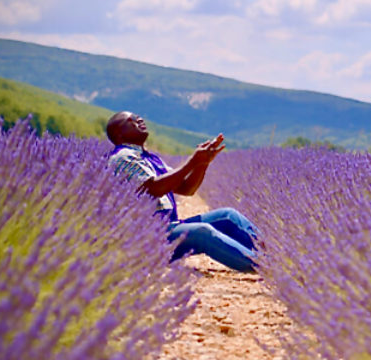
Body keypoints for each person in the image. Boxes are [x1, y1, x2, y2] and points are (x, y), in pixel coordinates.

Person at [105, 111, 259, 273]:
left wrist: (202, 163)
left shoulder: (149, 158)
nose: (140, 119)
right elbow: (154, 188)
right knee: (202, 232)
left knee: (228, 216)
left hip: (168, 227)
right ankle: (265, 266)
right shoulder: (122, 157)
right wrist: (193, 161)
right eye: (132, 120)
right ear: (119, 134)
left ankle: (275, 257)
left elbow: (187, 188)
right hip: (148, 238)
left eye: (138, 117)